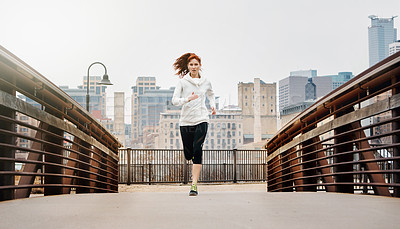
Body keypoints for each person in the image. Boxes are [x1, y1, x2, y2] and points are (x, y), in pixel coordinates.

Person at [172, 53, 216, 196]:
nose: (193, 67)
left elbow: (211, 94)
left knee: (198, 149)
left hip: (202, 118)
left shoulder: (206, 81)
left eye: (196, 64)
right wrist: (187, 99)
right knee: (188, 152)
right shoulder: (182, 82)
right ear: (188, 66)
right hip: (186, 121)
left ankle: (194, 185)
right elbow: (174, 100)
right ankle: (190, 155)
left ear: (200, 66)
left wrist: (213, 106)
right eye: (191, 64)